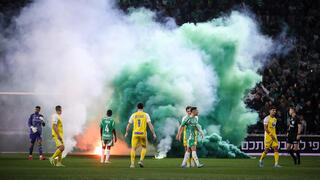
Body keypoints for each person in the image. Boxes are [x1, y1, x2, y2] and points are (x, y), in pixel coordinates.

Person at [125, 103, 156, 168]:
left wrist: (126, 132)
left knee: (133, 148)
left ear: (137, 108)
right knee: (144, 147)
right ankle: (141, 160)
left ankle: (132, 164)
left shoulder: (133, 115)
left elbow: (129, 125)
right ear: (143, 108)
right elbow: (150, 125)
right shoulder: (146, 115)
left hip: (135, 134)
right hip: (143, 134)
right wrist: (153, 133)